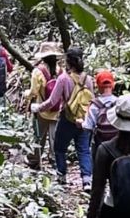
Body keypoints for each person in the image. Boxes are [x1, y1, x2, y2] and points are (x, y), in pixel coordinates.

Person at [30, 47, 94, 190]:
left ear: (67, 61)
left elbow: (52, 101)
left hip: (67, 118)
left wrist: (38, 107)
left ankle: (62, 175)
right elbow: (91, 100)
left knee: (59, 148)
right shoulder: (88, 79)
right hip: (84, 120)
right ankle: (87, 180)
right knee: (83, 149)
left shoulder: (64, 78)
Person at [25, 41, 63, 169]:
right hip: (56, 109)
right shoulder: (61, 71)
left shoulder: (38, 71)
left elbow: (33, 91)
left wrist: (26, 95)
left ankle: (35, 160)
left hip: (41, 108)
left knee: (39, 136)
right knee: (55, 137)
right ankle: (55, 161)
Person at [83, 69, 118, 154]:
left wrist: (81, 122)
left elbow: (88, 127)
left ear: (98, 86)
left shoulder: (94, 105)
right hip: (118, 143)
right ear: (113, 85)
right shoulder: (119, 102)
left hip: (101, 145)